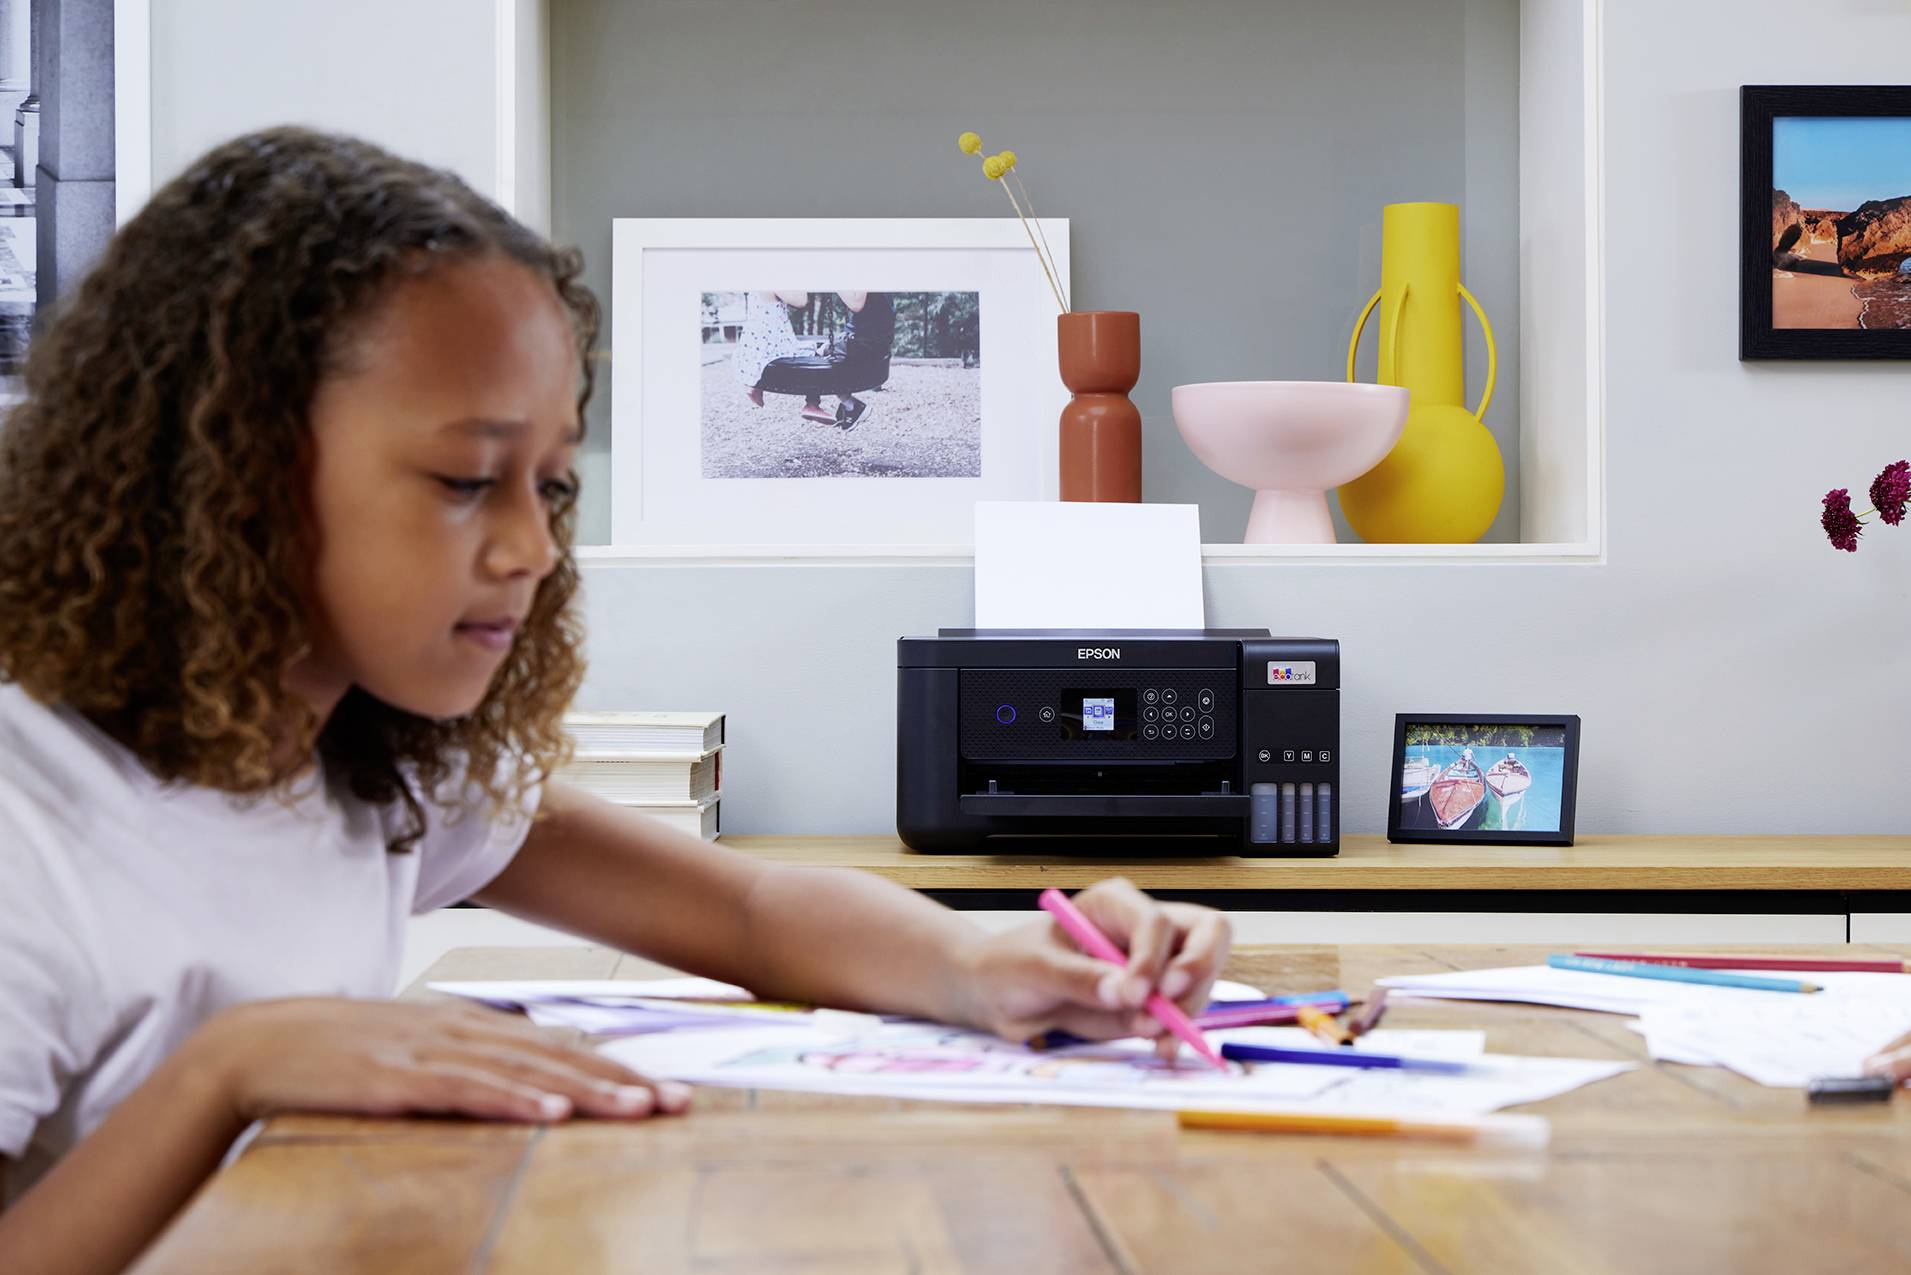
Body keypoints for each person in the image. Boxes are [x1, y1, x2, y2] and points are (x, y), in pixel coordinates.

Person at [0, 128, 1231, 1274]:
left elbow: (746, 909)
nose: (533, 548)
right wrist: (226, 1073)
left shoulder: (367, 765)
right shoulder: (28, 825)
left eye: (549, 485)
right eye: (468, 478)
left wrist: (983, 961)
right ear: (230, 474)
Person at [752, 290, 895, 430]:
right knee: (823, 352)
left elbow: (856, 303)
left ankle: (825, 404)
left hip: (864, 342)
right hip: (871, 339)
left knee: (819, 356)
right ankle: (841, 405)